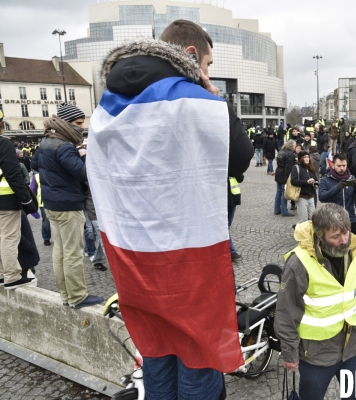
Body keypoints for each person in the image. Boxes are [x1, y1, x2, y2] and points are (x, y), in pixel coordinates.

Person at [87, 20, 254, 399]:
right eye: (208, 65)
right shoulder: (193, 99)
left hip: (133, 262)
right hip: (188, 263)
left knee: (157, 356)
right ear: (191, 56)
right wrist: (212, 93)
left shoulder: (108, 104)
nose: (209, 75)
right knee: (197, 357)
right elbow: (240, 158)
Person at [275, 203, 356, 400]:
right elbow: (286, 311)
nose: (344, 240)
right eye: (335, 237)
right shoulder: (298, 262)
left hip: (352, 345)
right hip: (316, 354)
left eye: (346, 232)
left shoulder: (352, 249)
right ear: (320, 236)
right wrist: (289, 353)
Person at [31, 104, 104, 309]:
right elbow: (84, 173)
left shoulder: (46, 142)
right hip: (68, 206)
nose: (82, 127)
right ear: (67, 123)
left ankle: (66, 294)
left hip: (52, 204)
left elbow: (35, 164)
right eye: (79, 123)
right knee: (73, 252)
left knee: (60, 251)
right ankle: (78, 296)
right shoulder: (64, 146)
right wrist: (84, 155)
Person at [0, 135, 37, 289]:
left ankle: (2, 274)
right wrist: (26, 199)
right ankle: (11, 277)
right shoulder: (3, 142)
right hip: (5, 199)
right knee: (9, 237)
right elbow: (13, 173)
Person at [319, 154, 356, 237]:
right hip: (332, 220)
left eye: (344, 165)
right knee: (336, 247)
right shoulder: (325, 180)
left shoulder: (351, 178)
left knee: (354, 247)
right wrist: (336, 188)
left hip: (351, 219)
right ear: (333, 165)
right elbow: (322, 197)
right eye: (339, 166)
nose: (342, 168)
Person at [291, 151, 319, 225]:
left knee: (312, 219)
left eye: (308, 157)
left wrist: (315, 184)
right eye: (305, 157)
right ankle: (300, 233)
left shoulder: (311, 168)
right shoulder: (296, 167)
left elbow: (316, 179)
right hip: (301, 197)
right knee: (303, 220)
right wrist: (306, 182)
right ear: (301, 159)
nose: (307, 159)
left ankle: (309, 234)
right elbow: (293, 181)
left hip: (311, 196)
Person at [275, 140, 297, 217]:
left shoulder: (281, 151)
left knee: (278, 192)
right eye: (294, 146)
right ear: (291, 146)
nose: (295, 147)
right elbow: (288, 168)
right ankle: (284, 211)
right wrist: (287, 179)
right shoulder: (290, 154)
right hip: (284, 173)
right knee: (284, 193)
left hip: (278, 172)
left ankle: (277, 209)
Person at [30, 171, 51, 246]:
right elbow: (32, 190)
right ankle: (46, 238)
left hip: (54, 201)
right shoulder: (37, 176)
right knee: (46, 222)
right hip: (44, 202)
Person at [228, 174, 244, 261]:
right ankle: (232, 251)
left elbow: (240, 178)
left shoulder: (234, 165)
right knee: (225, 227)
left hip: (233, 199)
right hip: (223, 199)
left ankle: (230, 250)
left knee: (227, 226)